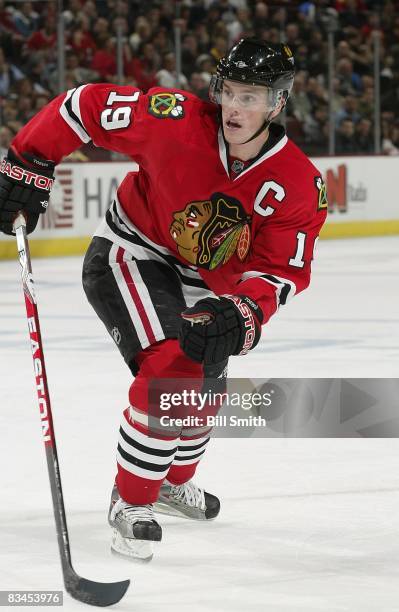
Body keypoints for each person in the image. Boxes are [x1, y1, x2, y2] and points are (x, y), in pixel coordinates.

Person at [0, 38, 328, 562]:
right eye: (230, 92)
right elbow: (82, 107)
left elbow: (281, 268)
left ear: (278, 103)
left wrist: (243, 310)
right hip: (131, 253)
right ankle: (130, 502)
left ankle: (172, 483)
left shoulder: (299, 182)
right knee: (172, 372)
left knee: (206, 394)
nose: (235, 108)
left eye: (251, 97)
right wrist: (25, 161)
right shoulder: (173, 119)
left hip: (207, 283)